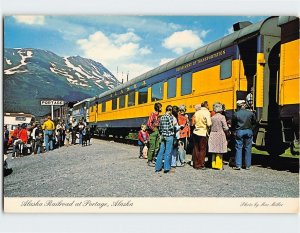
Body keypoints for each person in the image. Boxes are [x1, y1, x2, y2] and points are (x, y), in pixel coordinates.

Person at [232, 100, 257, 170]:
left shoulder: (236, 114)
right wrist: (251, 129)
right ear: (244, 105)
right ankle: (247, 165)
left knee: (238, 148)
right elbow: (254, 122)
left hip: (239, 131)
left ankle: (238, 165)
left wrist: (234, 130)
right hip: (248, 131)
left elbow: (233, 124)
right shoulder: (250, 113)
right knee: (248, 148)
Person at [208, 102, 229, 170]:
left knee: (214, 150)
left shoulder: (212, 117)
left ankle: (213, 164)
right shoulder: (222, 117)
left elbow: (209, 126)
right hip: (220, 134)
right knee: (220, 150)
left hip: (213, 134)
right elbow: (225, 127)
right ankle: (219, 165)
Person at [192, 101, 212, 170]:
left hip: (195, 132)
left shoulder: (196, 112)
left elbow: (194, 123)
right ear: (206, 106)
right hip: (203, 132)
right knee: (202, 150)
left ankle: (196, 164)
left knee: (196, 149)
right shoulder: (207, 112)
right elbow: (209, 124)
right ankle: (201, 165)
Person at [155, 105, 174, 173]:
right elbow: (171, 127)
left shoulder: (162, 117)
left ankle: (157, 167)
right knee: (168, 152)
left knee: (161, 152)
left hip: (163, 136)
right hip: (169, 136)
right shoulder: (169, 117)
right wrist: (174, 124)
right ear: (170, 110)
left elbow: (160, 128)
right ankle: (166, 168)